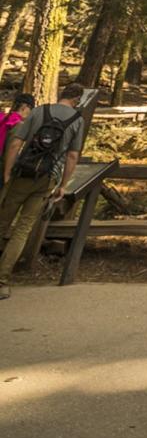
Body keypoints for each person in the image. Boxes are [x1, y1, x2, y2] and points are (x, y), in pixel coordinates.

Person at [0, 82, 86, 300]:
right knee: (23, 228)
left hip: (22, 173)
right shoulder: (77, 121)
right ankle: (2, 280)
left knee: (2, 221)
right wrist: (63, 185)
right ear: (77, 100)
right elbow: (72, 156)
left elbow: (15, 142)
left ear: (62, 94)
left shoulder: (39, 111)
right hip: (47, 178)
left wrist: (8, 172)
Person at [0, 92, 34, 160]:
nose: (31, 112)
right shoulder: (17, 124)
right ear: (24, 106)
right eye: (31, 108)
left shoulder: (3, 117)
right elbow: (12, 149)